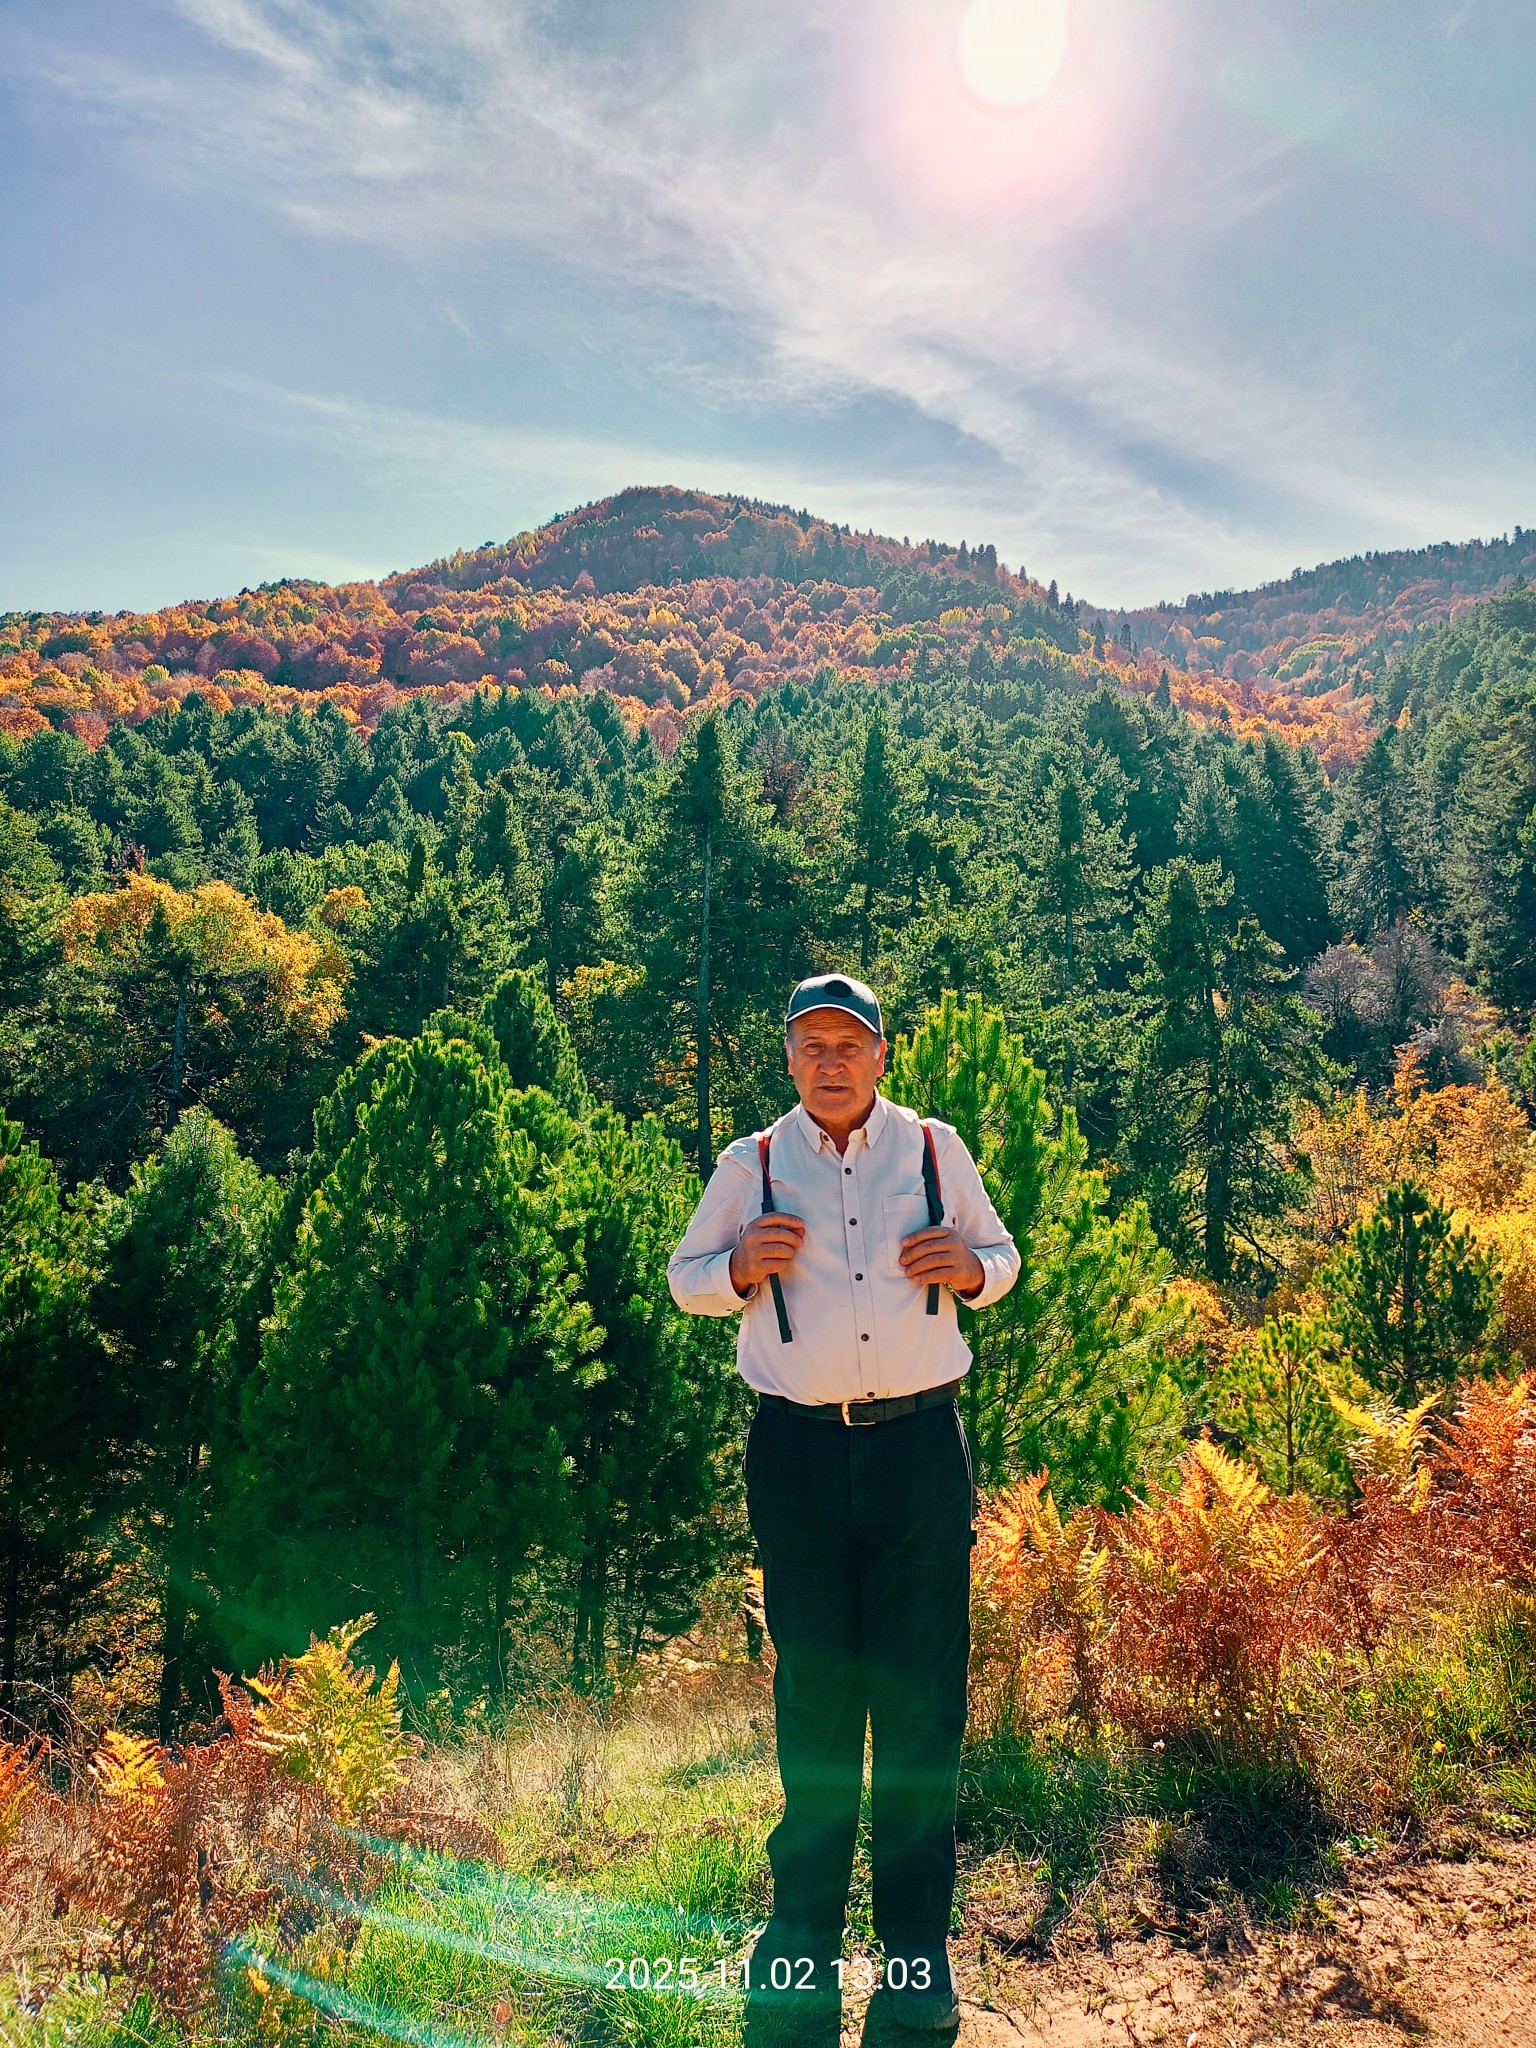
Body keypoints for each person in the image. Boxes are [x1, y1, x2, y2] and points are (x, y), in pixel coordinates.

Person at [668, 973, 1020, 2034]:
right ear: (788, 1056)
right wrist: (734, 1265)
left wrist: (972, 1265)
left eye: (848, 1042)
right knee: (814, 1705)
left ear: (881, 1052)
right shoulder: (755, 1161)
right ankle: (799, 1959)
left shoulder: (933, 1148)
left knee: (922, 1712)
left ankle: (915, 1963)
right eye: (810, 1042)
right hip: (800, 1455)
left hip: (919, 1448)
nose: (829, 1059)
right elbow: (685, 1274)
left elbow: (1001, 1256)